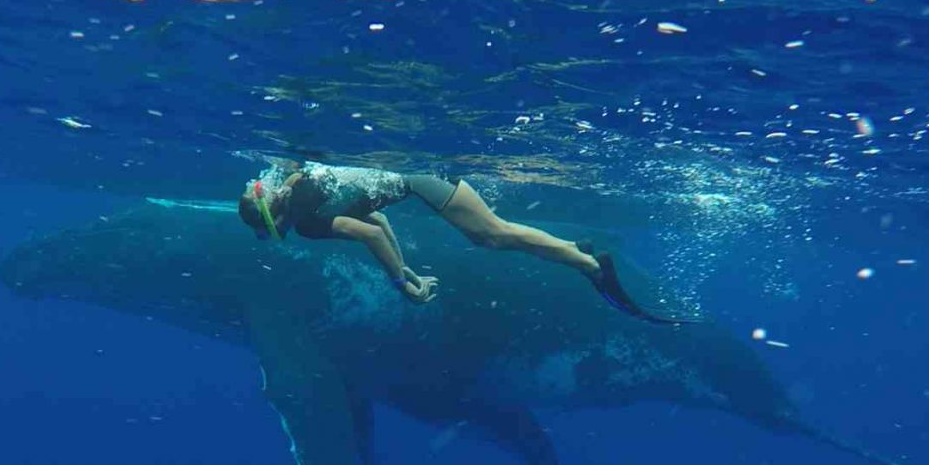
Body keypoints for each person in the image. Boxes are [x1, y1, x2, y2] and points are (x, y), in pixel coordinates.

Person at [237, 161, 684, 323]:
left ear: (276, 216)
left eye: (272, 229)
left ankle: (591, 266)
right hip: (415, 173)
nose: (279, 233)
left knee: (491, 234)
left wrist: (401, 286)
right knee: (493, 233)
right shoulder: (298, 184)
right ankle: (576, 249)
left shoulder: (309, 222)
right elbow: (375, 220)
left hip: (421, 177)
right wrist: (406, 271)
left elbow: (370, 232)